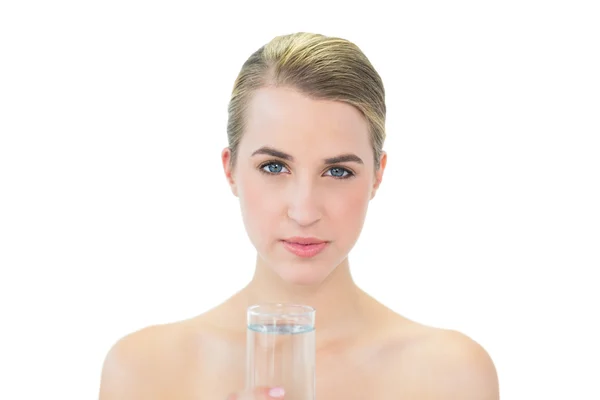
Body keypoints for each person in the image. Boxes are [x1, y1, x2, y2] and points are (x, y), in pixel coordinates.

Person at [98, 32, 499, 400]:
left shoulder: (452, 376)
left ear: (377, 176)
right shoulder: (143, 372)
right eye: (274, 167)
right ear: (230, 169)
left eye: (338, 171)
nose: (305, 212)